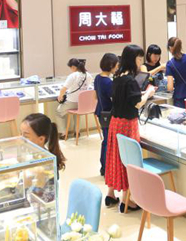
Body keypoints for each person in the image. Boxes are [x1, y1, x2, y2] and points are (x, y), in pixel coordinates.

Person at [105, 45, 156, 212]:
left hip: (115, 122)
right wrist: (148, 93)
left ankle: (111, 194)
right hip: (127, 124)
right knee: (128, 159)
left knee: (114, 156)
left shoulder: (117, 77)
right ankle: (127, 200)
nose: (140, 62)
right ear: (132, 59)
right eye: (139, 59)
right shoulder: (131, 81)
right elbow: (138, 103)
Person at [95, 53, 118, 182]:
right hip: (108, 114)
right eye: (116, 65)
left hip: (100, 112)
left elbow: (95, 96)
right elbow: (116, 98)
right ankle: (106, 168)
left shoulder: (98, 78)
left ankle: (104, 167)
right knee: (108, 142)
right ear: (111, 65)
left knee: (105, 141)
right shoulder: (108, 82)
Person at [56, 58, 93, 137]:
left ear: (73, 67)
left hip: (71, 102)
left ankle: (63, 133)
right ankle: (77, 132)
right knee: (77, 113)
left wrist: (60, 96)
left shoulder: (73, 76)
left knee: (59, 112)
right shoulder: (88, 75)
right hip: (82, 104)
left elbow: (63, 89)